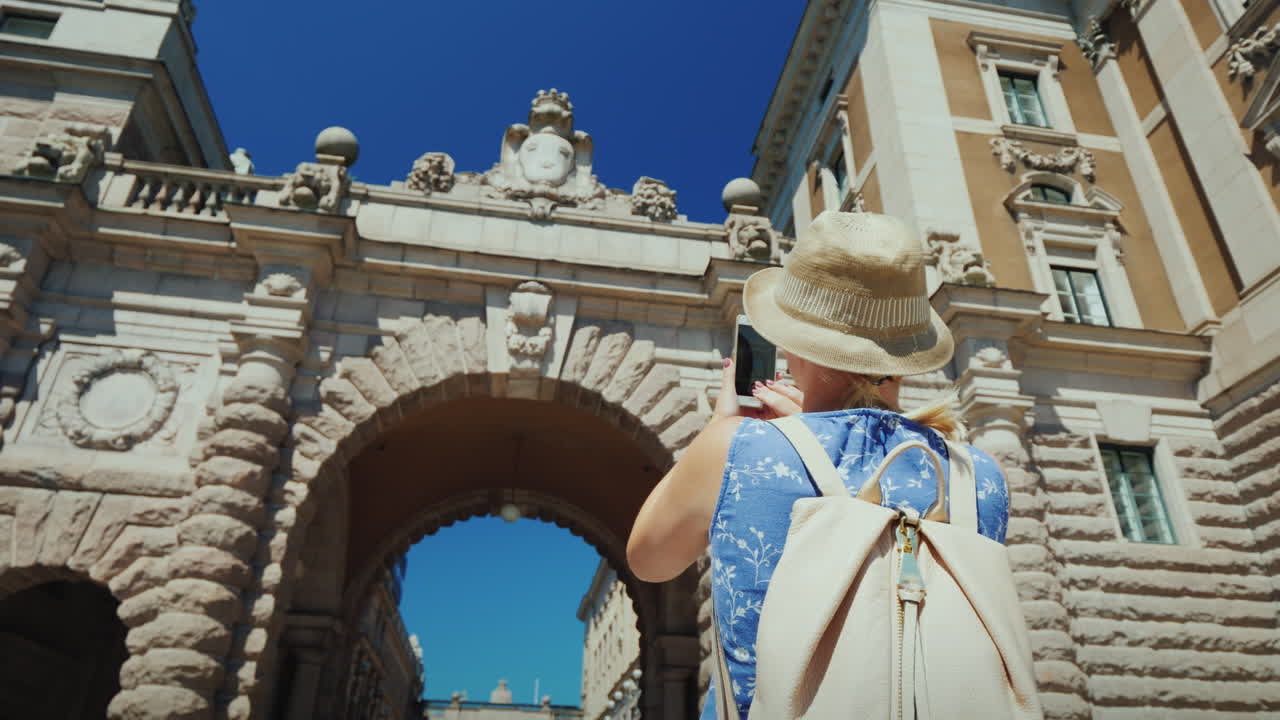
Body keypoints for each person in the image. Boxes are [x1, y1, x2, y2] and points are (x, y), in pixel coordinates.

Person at [626, 211, 1011, 719]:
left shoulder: (737, 447)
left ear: (791, 339)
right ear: (907, 349)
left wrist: (723, 426)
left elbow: (650, 559)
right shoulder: (977, 474)